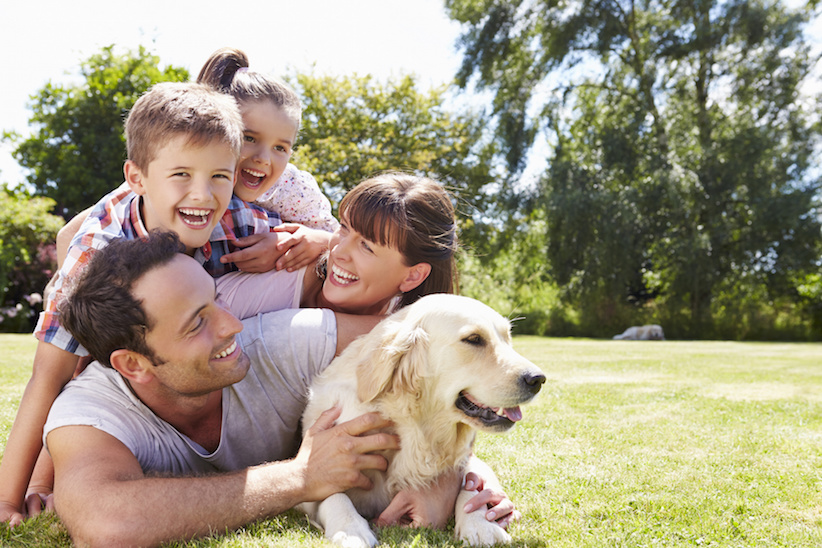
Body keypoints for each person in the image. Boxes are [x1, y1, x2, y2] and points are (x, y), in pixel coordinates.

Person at [44, 232, 515, 545]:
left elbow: (441, 358)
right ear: (134, 364)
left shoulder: (289, 338)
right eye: (197, 324)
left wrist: (452, 477)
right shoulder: (90, 411)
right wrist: (300, 478)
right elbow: (106, 523)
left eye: (216, 301)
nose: (233, 326)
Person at [0, 81, 293, 526]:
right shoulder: (96, 251)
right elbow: (50, 375)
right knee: (81, 361)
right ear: (136, 178)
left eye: (219, 175)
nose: (203, 195)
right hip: (122, 343)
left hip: (190, 336)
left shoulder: (236, 215)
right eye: (182, 175)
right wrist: (14, 495)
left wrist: (316, 241)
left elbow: (322, 252)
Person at [197, 47, 339, 273]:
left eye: (280, 147)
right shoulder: (186, 170)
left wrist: (298, 242)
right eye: (249, 138)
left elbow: (336, 238)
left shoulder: (292, 187)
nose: (263, 159)